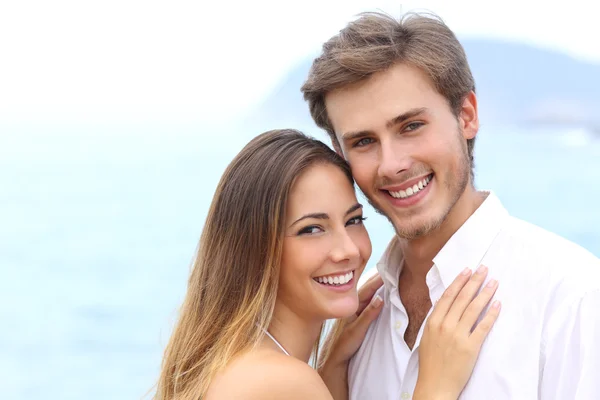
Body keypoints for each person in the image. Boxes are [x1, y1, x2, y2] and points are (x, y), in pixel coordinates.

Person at [301, 11, 600, 399]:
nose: (392, 164)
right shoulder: (350, 322)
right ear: (341, 154)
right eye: (363, 142)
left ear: (467, 117)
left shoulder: (572, 298)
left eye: (411, 126)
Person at [153, 129, 501, 400]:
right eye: (312, 229)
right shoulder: (278, 381)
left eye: (353, 220)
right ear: (255, 249)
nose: (347, 249)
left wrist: (332, 369)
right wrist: (435, 387)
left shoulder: (242, 364)